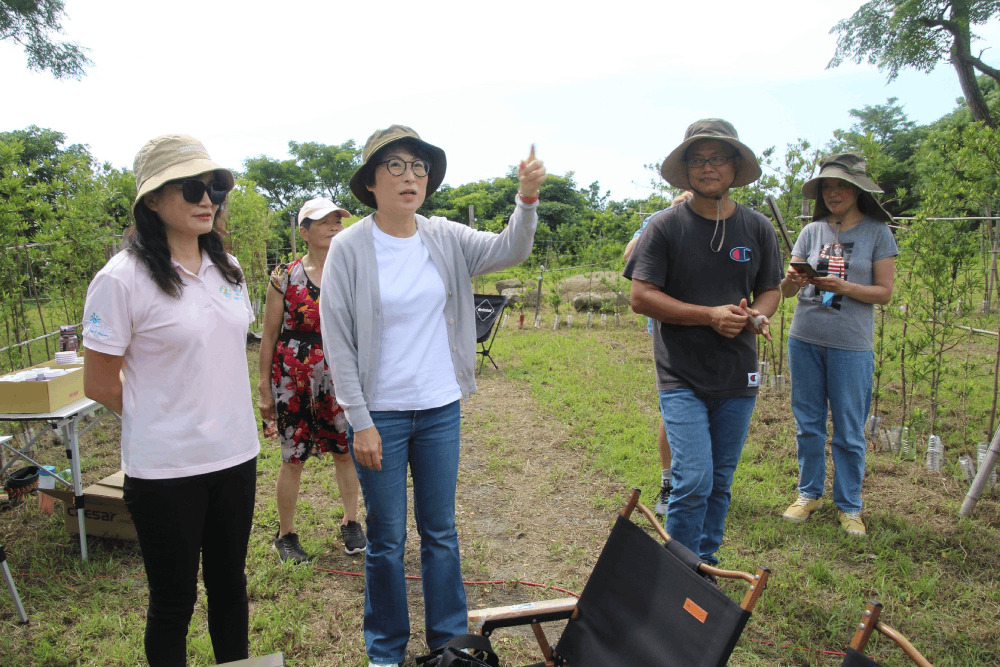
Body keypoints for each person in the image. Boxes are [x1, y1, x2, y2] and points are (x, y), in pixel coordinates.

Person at [319, 124, 546, 667]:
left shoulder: (443, 236)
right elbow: (338, 339)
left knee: (440, 531)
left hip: (440, 407)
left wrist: (528, 199)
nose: (409, 176)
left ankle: (447, 641)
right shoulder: (350, 247)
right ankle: (385, 649)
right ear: (371, 183)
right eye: (395, 166)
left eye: (418, 166)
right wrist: (361, 419)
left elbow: (509, 248)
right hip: (382, 414)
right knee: (387, 538)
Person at [82, 135, 259, 666]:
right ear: (152, 199)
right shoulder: (121, 280)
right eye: (190, 188)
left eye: (215, 186)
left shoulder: (228, 268)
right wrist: (163, 420)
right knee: (174, 601)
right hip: (165, 470)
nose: (207, 198)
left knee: (230, 586)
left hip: (235, 455)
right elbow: (99, 383)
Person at [624, 119, 782, 567]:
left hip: (737, 373)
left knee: (721, 480)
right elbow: (641, 296)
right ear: (686, 168)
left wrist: (758, 313)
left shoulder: (757, 228)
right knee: (692, 479)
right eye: (698, 159)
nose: (708, 167)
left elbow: (770, 288)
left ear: (735, 166)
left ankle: (705, 566)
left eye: (717, 158)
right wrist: (707, 316)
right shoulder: (666, 226)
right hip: (680, 373)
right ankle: (677, 567)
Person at [780, 153, 898, 537]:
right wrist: (792, 281)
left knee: (849, 429)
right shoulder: (811, 232)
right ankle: (809, 493)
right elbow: (783, 289)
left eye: (842, 186)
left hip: (851, 344)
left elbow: (884, 293)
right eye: (828, 187)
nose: (834, 193)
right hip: (805, 338)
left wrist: (843, 287)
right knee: (808, 424)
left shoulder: (878, 233)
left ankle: (849, 506)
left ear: (858, 191)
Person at [258, 197, 365, 562]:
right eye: (324, 221)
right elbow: (269, 335)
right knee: (293, 456)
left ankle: (352, 521)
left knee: (344, 449)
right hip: (293, 376)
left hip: (339, 373)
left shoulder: (353, 271)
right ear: (304, 232)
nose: (334, 225)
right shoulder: (284, 276)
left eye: (338, 219)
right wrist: (263, 388)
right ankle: (285, 534)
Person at [623, 190, 692, 516]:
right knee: (673, 404)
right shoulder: (659, 219)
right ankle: (669, 482)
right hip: (668, 329)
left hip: (718, 330)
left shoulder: (724, 219)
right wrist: (668, 214)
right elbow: (629, 256)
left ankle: (704, 484)